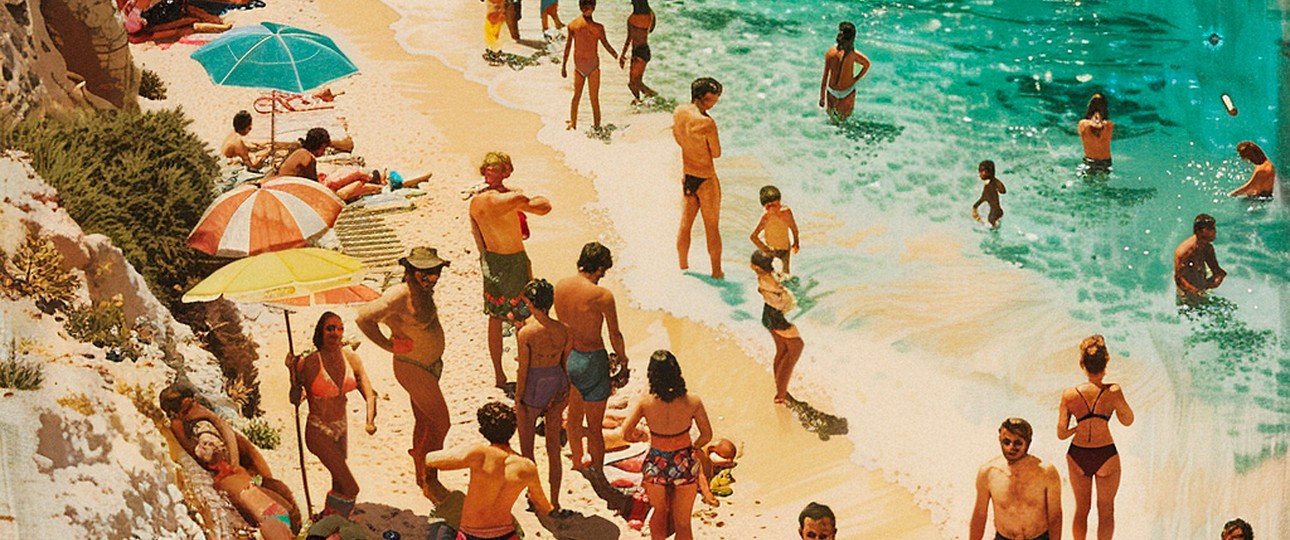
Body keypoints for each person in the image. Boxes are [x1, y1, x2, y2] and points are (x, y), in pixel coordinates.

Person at [356, 247, 453, 503]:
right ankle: (430, 478)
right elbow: (363, 318)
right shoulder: (398, 295)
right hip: (413, 368)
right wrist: (388, 346)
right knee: (442, 424)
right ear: (410, 271)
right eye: (426, 272)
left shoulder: (422, 292)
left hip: (430, 366)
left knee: (426, 423)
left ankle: (420, 473)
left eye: (435, 272)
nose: (432, 278)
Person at [159, 383, 299, 530]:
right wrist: (212, 418)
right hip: (231, 479)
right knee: (280, 517)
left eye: (194, 402)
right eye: (188, 407)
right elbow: (214, 457)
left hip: (241, 474)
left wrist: (211, 418)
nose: (196, 408)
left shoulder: (199, 422)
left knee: (284, 510)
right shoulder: (185, 426)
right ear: (176, 413)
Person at [469, 152, 553, 390]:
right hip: (513, 260)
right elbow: (544, 206)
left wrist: (484, 259)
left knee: (495, 318)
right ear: (507, 171)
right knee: (522, 317)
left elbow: (477, 234)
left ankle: (498, 375)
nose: (488, 171)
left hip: (491, 259)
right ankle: (524, 369)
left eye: (491, 168)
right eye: (490, 168)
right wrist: (522, 196)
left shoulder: (475, 201)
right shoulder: (509, 199)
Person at [424, 402, 561, 540]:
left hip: (470, 534)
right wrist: (551, 509)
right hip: (506, 535)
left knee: (439, 524)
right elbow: (543, 505)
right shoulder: (527, 466)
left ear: (483, 430)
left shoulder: (479, 454)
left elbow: (431, 459)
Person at [286, 312, 378, 518]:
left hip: (341, 429)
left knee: (338, 483)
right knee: (350, 487)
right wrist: (292, 373)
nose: (335, 333)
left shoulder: (352, 359)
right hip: (318, 430)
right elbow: (294, 399)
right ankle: (333, 522)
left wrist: (370, 420)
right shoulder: (309, 362)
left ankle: (329, 519)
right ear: (321, 332)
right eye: (330, 328)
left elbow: (370, 394)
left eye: (339, 328)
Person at [553, 242, 629, 472]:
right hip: (593, 359)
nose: (602, 277)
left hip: (569, 357)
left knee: (574, 419)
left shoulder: (560, 287)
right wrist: (623, 360)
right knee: (594, 426)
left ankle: (578, 461)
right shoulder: (601, 296)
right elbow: (614, 333)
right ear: (598, 268)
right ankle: (597, 468)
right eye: (602, 273)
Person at [622, 350, 713, 540]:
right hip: (683, 462)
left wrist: (644, 435)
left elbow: (625, 433)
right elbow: (707, 435)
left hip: (656, 461)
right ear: (677, 372)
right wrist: (694, 448)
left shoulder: (646, 402)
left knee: (659, 512)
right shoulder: (693, 401)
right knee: (682, 522)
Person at [1057, 335, 1134, 540]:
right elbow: (1128, 420)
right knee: (1106, 510)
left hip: (1077, 454)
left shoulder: (1069, 394)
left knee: (1081, 510)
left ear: (1082, 364)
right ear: (1106, 362)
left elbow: (1061, 433)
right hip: (1105, 454)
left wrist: (1078, 427)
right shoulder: (1113, 391)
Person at [514, 279, 574, 515]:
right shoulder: (564, 330)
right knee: (553, 448)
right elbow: (566, 363)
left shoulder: (526, 332)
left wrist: (519, 399)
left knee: (527, 448)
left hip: (534, 385)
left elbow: (523, 369)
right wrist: (565, 391)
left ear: (529, 302)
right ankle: (556, 500)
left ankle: (534, 497)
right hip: (557, 381)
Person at [189, 429, 294, 540]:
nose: (207, 447)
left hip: (270, 511)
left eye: (210, 444)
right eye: (205, 445)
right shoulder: (228, 476)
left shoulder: (236, 470)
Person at [969, 418, 1063, 540]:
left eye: (1018, 443)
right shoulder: (988, 473)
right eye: (1006, 442)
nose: (1011, 447)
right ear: (1000, 440)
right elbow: (980, 516)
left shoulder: (1046, 472)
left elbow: (1055, 517)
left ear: (1028, 443)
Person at [672, 77, 725, 279]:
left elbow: (678, 138)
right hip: (706, 178)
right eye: (712, 100)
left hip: (688, 176)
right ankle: (717, 273)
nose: (714, 104)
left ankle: (683, 269)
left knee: (685, 225)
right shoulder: (707, 123)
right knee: (712, 227)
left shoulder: (679, 112)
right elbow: (717, 152)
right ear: (701, 98)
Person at [751, 250, 803, 404]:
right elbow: (780, 300)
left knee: (782, 350)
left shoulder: (764, 277)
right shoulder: (769, 281)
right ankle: (781, 394)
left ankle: (780, 391)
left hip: (769, 315)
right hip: (776, 317)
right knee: (796, 347)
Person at [277, 128, 384, 202]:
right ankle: (368, 179)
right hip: (296, 193)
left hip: (287, 187)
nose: (324, 152)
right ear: (320, 146)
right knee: (345, 183)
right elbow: (315, 185)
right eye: (324, 149)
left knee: (341, 179)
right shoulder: (309, 158)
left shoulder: (300, 152)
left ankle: (368, 179)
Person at [562, 0, 617, 131]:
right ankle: (573, 123)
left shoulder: (599, 28)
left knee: (594, 99)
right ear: (581, 7)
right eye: (585, 7)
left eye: (589, 7)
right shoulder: (573, 26)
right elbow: (568, 47)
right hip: (580, 67)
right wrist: (563, 66)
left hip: (593, 68)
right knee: (577, 96)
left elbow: (606, 44)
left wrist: (616, 55)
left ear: (593, 8)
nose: (587, 9)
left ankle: (597, 126)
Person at [818, 22, 871, 122]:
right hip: (834, 91)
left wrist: (856, 79)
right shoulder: (832, 53)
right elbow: (825, 76)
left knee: (840, 122)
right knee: (836, 122)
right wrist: (822, 96)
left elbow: (867, 65)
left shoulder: (852, 55)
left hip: (847, 91)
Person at [1173, 213, 1226, 305]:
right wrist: (1196, 292)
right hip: (1186, 295)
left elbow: (1216, 270)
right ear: (1199, 231)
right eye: (1210, 229)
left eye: (1214, 228)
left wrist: (1219, 276)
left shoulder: (1207, 247)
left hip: (1201, 290)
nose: (1214, 231)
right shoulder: (1184, 251)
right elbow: (1178, 278)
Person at [749, 185, 800, 274]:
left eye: (777, 205)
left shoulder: (786, 213)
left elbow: (793, 228)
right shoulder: (766, 218)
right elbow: (753, 236)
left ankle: (786, 284)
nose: (775, 209)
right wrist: (766, 249)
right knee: (769, 272)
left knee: (785, 274)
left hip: (785, 249)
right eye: (770, 207)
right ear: (766, 207)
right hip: (771, 250)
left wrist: (796, 242)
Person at [618, 0, 657, 102]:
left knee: (633, 83)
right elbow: (651, 29)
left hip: (637, 52)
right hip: (645, 50)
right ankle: (640, 101)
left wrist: (622, 55)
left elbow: (629, 39)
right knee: (637, 82)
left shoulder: (631, 19)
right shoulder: (651, 15)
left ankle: (651, 96)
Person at [1078, 93, 1114, 175]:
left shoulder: (1082, 124)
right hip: (1105, 162)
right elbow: (1098, 127)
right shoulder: (1109, 125)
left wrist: (1096, 120)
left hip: (1089, 161)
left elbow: (1097, 127)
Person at [971, 160, 1007, 229]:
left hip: (994, 213)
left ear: (988, 173)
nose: (980, 174)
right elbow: (1002, 191)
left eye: (982, 172)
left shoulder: (989, 185)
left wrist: (975, 207)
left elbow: (1002, 191)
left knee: (991, 223)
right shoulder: (991, 184)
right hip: (997, 211)